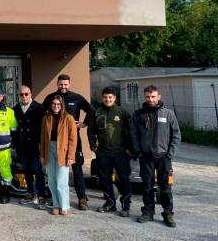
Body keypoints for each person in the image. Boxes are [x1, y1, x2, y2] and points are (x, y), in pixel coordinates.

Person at [131, 85, 181, 227]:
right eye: (148, 96)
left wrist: (169, 154)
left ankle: (168, 214)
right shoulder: (139, 114)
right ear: (144, 97)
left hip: (163, 157)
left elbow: (176, 135)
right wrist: (138, 151)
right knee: (146, 186)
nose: (150, 99)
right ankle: (148, 212)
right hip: (145, 157)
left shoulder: (168, 114)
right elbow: (133, 134)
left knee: (165, 187)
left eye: (153, 96)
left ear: (159, 97)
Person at [42, 74, 94, 211]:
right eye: (61, 84)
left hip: (72, 141)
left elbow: (91, 110)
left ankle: (82, 198)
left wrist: (84, 123)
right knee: (54, 173)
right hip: (54, 143)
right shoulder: (50, 98)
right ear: (57, 84)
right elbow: (42, 113)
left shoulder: (76, 98)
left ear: (69, 84)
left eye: (65, 84)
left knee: (77, 170)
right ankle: (55, 200)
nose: (63, 87)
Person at [88, 87, 133, 216]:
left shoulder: (122, 112)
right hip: (103, 153)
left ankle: (125, 205)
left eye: (110, 97)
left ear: (115, 98)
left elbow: (131, 132)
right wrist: (93, 147)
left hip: (120, 153)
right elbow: (91, 131)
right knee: (105, 179)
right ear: (102, 98)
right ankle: (110, 203)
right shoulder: (97, 113)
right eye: (105, 97)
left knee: (124, 179)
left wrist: (130, 149)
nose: (108, 99)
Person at [40, 95, 77, 215]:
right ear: (51, 105)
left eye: (58, 104)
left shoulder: (68, 118)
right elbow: (43, 138)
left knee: (61, 181)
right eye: (54, 104)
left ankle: (64, 206)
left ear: (62, 106)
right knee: (51, 180)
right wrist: (42, 154)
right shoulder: (46, 118)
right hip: (49, 149)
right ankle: (56, 205)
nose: (56, 106)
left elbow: (73, 139)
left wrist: (71, 156)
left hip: (63, 151)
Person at [12, 85, 46, 207]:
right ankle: (31, 193)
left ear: (31, 94)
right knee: (26, 171)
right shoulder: (15, 109)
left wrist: (42, 145)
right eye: (21, 94)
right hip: (22, 146)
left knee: (37, 171)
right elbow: (14, 129)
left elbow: (43, 129)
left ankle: (41, 194)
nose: (24, 96)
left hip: (35, 145)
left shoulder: (39, 108)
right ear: (19, 96)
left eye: (26, 94)